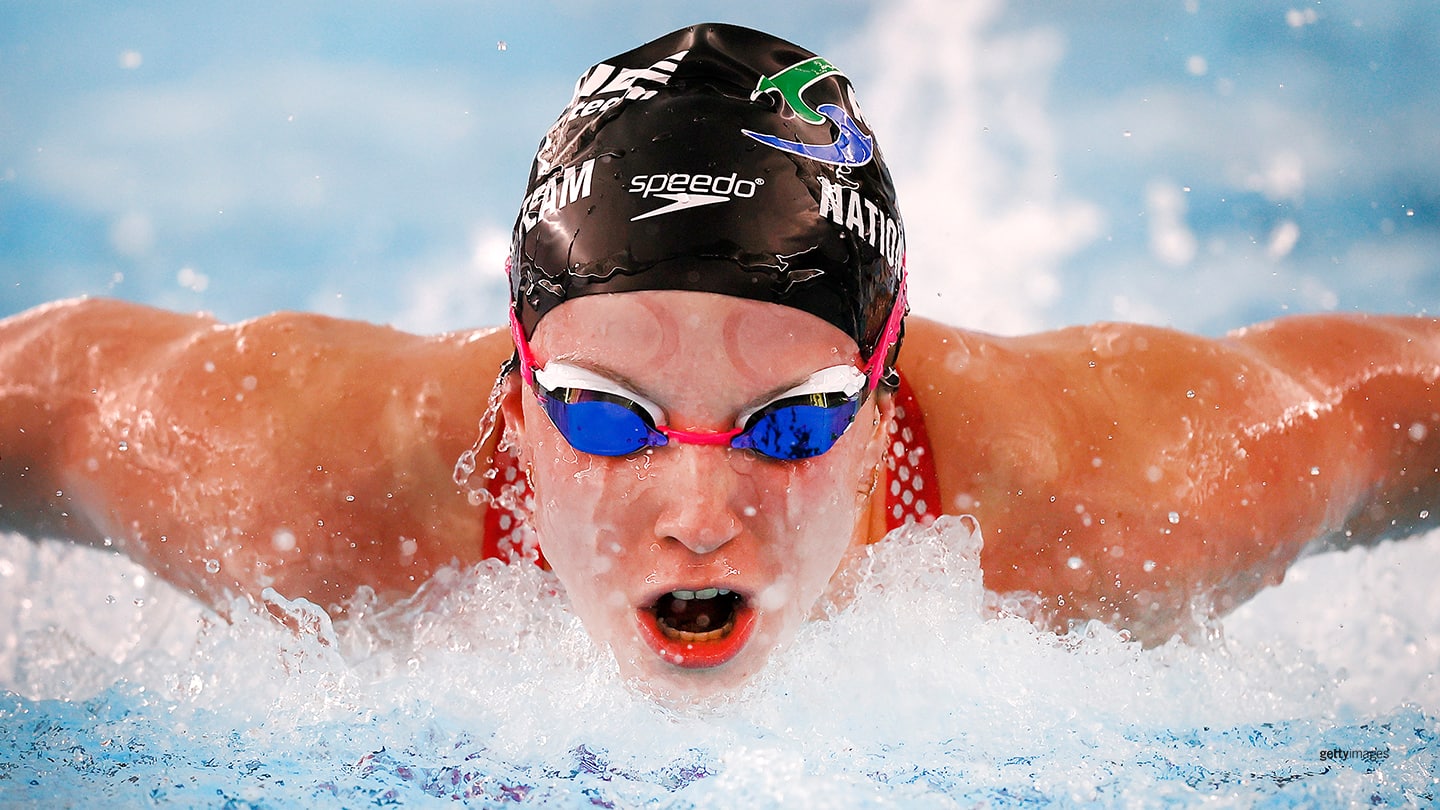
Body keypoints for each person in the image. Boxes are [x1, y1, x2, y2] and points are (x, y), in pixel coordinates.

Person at [1, 24, 1437, 696]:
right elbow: (44, 391)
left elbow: (1388, 404)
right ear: (514, 402)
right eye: (613, 422)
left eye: (792, 425)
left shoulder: (1110, 499)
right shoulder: (305, 482)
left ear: (885, 411)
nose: (699, 509)